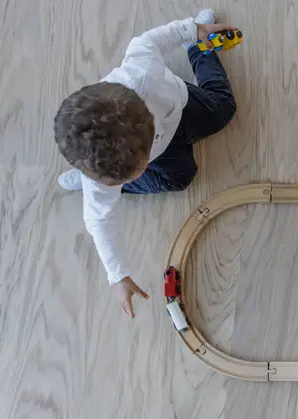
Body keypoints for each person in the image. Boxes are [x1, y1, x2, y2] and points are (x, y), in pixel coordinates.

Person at [53, 9, 237, 318]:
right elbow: (99, 223)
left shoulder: (141, 71)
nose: (137, 173)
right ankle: (84, 180)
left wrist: (194, 30)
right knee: (180, 178)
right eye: (124, 177)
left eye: (133, 170)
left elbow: (151, 38)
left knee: (223, 109)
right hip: (156, 153)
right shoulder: (103, 177)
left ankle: (197, 53)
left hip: (179, 107)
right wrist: (117, 275)